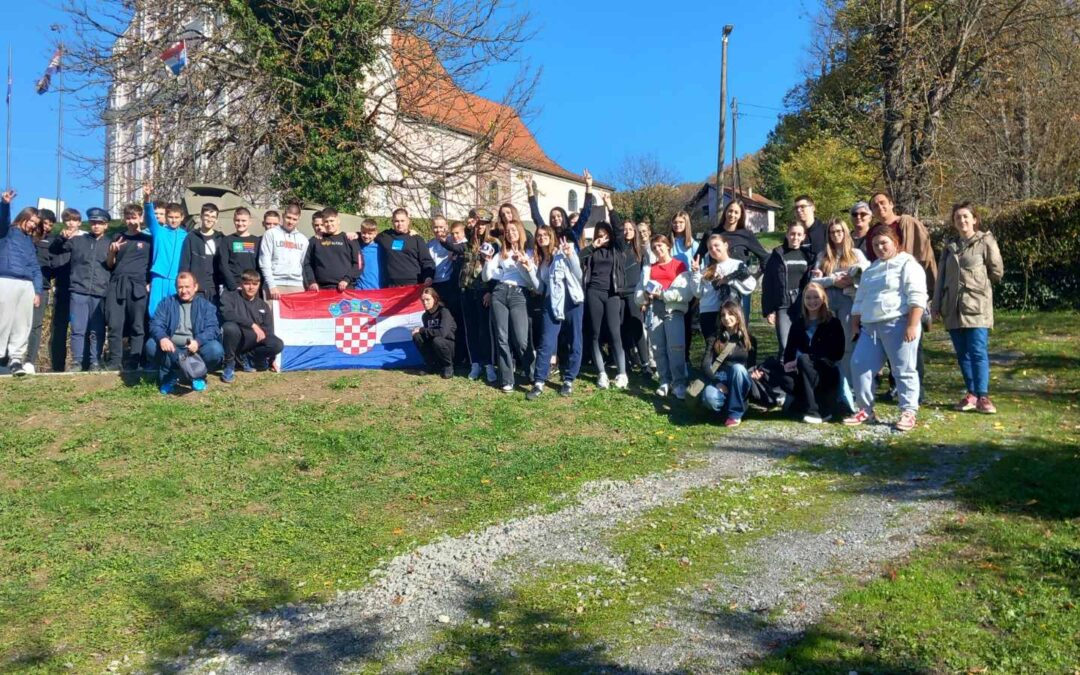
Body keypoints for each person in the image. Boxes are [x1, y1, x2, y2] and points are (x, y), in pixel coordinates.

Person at [845, 226, 928, 432]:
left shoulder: (908, 264)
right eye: (875, 244)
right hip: (871, 327)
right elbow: (860, 299)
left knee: (903, 369)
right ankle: (866, 409)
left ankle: (908, 411)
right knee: (859, 365)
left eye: (884, 243)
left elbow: (918, 297)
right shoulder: (871, 270)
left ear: (895, 242)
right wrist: (855, 324)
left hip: (898, 323)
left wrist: (912, 324)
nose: (880, 247)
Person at [933, 202, 1004, 415]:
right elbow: (940, 279)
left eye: (966, 217)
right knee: (962, 353)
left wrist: (976, 285)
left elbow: (997, 271)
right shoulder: (949, 246)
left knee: (978, 351)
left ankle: (983, 396)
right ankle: (971, 393)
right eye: (957, 218)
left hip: (976, 307)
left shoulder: (985, 241)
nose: (962, 221)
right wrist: (936, 305)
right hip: (952, 308)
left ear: (974, 219)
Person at [867, 191, 938, 400]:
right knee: (891, 344)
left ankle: (917, 391)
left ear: (891, 204)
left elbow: (922, 254)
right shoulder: (874, 233)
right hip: (885, 295)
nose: (880, 207)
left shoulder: (905, 223)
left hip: (907, 292)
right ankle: (895, 387)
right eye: (875, 205)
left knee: (911, 343)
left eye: (883, 203)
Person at [811, 218, 869, 412]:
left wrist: (851, 279)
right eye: (832, 232)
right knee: (827, 346)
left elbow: (865, 275)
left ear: (845, 233)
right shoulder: (823, 255)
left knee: (847, 344)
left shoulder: (856, 254)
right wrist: (834, 280)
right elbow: (814, 282)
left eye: (839, 231)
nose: (836, 235)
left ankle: (849, 387)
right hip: (827, 304)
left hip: (848, 303)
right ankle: (829, 386)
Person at [527, 227, 584, 399]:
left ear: (551, 237)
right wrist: (529, 269)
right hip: (551, 301)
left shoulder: (562, 251)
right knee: (547, 341)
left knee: (575, 339)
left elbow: (579, 274)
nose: (542, 238)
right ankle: (539, 382)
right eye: (539, 236)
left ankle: (568, 381)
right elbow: (540, 287)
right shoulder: (541, 261)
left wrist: (571, 255)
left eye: (545, 235)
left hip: (571, 299)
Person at [482, 218, 537, 392]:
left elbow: (531, 283)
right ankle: (507, 379)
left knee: (521, 340)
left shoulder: (529, 252)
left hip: (519, 294)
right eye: (507, 231)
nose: (510, 234)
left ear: (520, 232)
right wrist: (488, 262)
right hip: (499, 292)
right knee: (502, 337)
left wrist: (522, 264)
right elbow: (486, 277)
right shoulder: (501, 253)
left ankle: (533, 373)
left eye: (513, 230)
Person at [146, 272, 224, 394]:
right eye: (180, 287)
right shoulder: (166, 303)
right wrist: (163, 338)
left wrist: (198, 341)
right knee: (151, 345)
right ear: (176, 287)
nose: (184, 291)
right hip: (172, 349)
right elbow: (155, 324)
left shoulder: (206, 306)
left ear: (195, 287)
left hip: (193, 350)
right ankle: (172, 375)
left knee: (216, 349)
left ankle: (197, 375)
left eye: (187, 287)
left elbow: (213, 328)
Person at [781, 282, 846, 423]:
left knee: (804, 359)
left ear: (823, 299)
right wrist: (788, 364)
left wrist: (805, 359)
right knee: (783, 376)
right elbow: (789, 350)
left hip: (825, 370)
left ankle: (815, 411)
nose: (812, 301)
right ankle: (804, 404)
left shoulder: (833, 323)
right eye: (808, 298)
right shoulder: (798, 323)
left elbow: (837, 353)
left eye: (816, 297)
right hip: (801, 370)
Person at [694, 199, 769, 320]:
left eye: (736, 212)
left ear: (741, 215)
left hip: (739, 285)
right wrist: (702, 275)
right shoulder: (711, 233)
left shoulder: (746, 235)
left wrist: (755, 275)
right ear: (725, 212)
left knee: (740, 323)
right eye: (730, 211)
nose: (732, 215)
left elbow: (765, 257)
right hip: (716, 288)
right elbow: (698, 257)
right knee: (717, 325)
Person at [637, 234, 692, 399]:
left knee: (676, 348)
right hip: (654, 309)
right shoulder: (649, 268)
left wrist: (664, 294)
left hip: (673, 309)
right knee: (658, 348)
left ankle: (679, 383)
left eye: (660, 245)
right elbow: (639, 292)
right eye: (654, 247)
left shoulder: (679, 265)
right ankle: (664, 381)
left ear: (668, 246)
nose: (657, 249)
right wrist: (646, 296)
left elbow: (686, 292)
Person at [58, 207, 111, 372]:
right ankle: (76, 362)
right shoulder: (78, 240)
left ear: (106, 225)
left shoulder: (111, 243)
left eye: (100, 223)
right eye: (93, 222)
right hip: (78, 290)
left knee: (97, 330)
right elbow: (56, 250)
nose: (96, 226)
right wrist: (61, 238)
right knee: (77, 329)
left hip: (100, 292)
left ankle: (95, 361)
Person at [580, 219, 630, 390]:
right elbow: (578, 257)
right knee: (595, 334)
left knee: (615, 333)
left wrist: (611, 208)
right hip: (594, 292)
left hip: (612, 294)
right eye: (599, 235)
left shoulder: (617, 249)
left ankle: (622, 373)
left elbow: (619, 230)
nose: (603, 238)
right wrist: (593, 245)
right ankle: (601, 373)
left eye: (605, 235)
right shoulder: (592, 251)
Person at [105, 203, 153, 371]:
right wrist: (112, 251)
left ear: (141, 218)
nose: (131, 221)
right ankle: (115, 361)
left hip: (138, 285)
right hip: (118, 284)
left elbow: (154, 264)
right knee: (115, 325)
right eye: (128, 218)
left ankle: (135, 361)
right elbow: (110, 265)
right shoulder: (118, 237)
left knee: (137, 326)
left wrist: (150, 283)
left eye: (134, 217)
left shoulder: (148, 239)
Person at [0, 193, 43, 377]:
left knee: (22, 324)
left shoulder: (29, 241)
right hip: (7, 279)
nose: (33, 224)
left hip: (27, 284)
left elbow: (35, 266)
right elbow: (2, 220)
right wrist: (4, 204)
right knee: (3, 320)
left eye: (36, 223)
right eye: (31, 220)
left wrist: (38, 290)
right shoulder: (7, 232)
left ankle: (16, 359)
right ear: (23, 217)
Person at [692, 233, 756, 349]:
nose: (713, 249)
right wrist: (696, 273)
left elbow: (751, 285)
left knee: (729, 348)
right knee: (712, 349)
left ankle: (735, 366)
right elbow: (698, 293)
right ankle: (716, 367)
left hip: (728, 314)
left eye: (717, 245)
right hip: (707, 312)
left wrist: (729, 280)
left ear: (725, 245)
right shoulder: (707, 269)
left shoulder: (737, 265)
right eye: (710, 248)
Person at [218, 269, 283, 383]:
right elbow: (227, 314)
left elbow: (269, 332)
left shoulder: (263, 305)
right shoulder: (229, 296)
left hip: (252, 342)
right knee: (229, 327)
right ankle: (229, 364)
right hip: (235, 338)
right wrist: (252, 324)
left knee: (277, 344)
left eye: (254, 284)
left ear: (259, 285)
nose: (251, 287)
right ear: (241, 284)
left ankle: (247, 358)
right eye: (247, 283)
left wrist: (273, 357)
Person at [700, 300, 758, 427]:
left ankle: (734, 414)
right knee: (709, 398)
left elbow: (751, 366)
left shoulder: (750, 340)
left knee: (738, 368)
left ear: (738, 315)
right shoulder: (714, 338)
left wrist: (754, 373)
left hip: (740, 380)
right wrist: (717, 383)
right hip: (721, 379)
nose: (726, 318)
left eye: (730, 314)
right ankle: (729, 406)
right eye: (723, 315)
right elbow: (704, 365)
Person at [611, 199, 651, 379]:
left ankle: (645, 364)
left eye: (629, 229)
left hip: (635, 295)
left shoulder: (641, 251)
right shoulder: (618, 248)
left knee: (637, 329)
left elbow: (646, 276)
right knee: (622, 329)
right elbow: (616, 228)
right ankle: (627, 361)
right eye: (624, 229)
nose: (626, 231)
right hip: (619, 293)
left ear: (634, 231)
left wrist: (644, 298)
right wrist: (610, 207)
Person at [761, 222, 814, 356]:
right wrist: (769, 310)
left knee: (804, 345)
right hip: (783, 305)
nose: (795, 237)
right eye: (792, 234)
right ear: (787, 235)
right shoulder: (778, 254)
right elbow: (768, 283)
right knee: (785, 346)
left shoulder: (807, 255)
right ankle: (784, 372)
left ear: (803, 237)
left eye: (798, 234)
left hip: (803, 305)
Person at [459, 210, 497, 383]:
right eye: (478, 223)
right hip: (467, 290)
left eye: (484, 223)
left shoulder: (494, 243)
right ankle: (475, 363)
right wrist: (470, 222)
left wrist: (490, 290)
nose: (480, 226)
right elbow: (465, 229)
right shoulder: (469, 243)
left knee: (485, 330)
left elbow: (496, 270)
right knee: (471, 329)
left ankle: (489, 364)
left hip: (483, 291)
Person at [144, 181, 188, 317]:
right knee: (155, 311)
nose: (173, 220)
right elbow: (150, 216)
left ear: (182, 218)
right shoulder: (159, 231)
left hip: (177, 279)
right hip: (159, 276)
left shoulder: (186, 235)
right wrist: (147, 198)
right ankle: (156, 337)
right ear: (166, 217)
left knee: (175, 312)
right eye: (170, 217)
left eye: (176, 217)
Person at [48, 208, 84, 371]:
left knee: (81, 327)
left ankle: (83, 363)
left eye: (74, 220)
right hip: (63, 288)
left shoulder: (85, 238)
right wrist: (62, 238)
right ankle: (57, 366)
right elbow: (53, 251)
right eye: (68, 220)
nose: (71, 223)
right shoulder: (59, 239)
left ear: (79, 222)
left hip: (81, 288)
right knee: (59, 328)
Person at [526, 169, 593, 247]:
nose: (556, 219)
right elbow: (536, 216)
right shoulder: (549, 234)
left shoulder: (573, 232)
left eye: (558, 216)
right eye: (553, 217)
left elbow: (585, 214)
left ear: (563, 216)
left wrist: (589, 186)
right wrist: (530, 190)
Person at [26, 209, 56, 371]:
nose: (47, 227)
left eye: (51, 225)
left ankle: (29, 361)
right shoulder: (26, 237)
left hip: (42, 288)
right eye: (44, 223)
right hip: (22, 284)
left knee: (36, 325)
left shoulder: (52, 241)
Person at [259, 203, 309, 298]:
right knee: (272, 313)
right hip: (274, 285)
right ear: (283, 216)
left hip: (297, 286)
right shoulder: (270, 234)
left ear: (299, 219)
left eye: (294, 219)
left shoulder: (303, 239)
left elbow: (303, 264)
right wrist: (271, 285)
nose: (291, 222)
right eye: (288, 217)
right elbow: (264, 261)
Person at [303, 207, 359, 291]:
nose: (329, 224)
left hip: (345, 290)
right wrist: (312, 281)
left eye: (332, 220)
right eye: (326, 221)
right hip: (320, 290)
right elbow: (307, 263)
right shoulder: (315, 240)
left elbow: (359, 264)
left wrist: (346, 280)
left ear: (338, 220)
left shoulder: (349, 239)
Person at [376, 208, 435, 288]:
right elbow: (369, 235)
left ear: (408, 221)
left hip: (413, 284)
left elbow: (427, 261)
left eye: (402, 221)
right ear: (392, 222)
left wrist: (428, 276)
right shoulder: (385, 236)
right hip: (391, 285)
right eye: (396, 221)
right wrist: (356, 234)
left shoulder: (416, 239)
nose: (400, 224)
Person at [180, 202, 224, 303]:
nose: (209, 219)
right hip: (196, 290)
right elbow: (185, 265)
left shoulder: (221, 239)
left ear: (216, 220)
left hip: (215, 290)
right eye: (207, 215)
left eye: (213, 217)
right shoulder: (191, 238)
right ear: (201, 216)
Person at [411, 286, 457, 378]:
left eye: (428, 299)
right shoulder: (425, 316)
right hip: (435, 345)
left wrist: (422, 330)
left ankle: (448, 366)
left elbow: (442, 333)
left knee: (437, 340)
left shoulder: (444, 312)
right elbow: (428, 334)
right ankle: (432, 365)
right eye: (423, 300)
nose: (425, 303)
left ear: (435, 299)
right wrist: (419, 333)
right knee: (417, 336)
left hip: (448, 345)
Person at [217, 207, 261, 292]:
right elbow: (223, 265)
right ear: (234, 221)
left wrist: (254, 285)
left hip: (251, 287)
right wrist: (233, 286)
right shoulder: (226, 240)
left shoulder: (257, 241)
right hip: (233, 288)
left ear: (250, 222)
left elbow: (259, 266)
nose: (240, 223)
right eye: (237, 220)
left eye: (244, 221)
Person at [355, 218, 383, 291]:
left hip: (376, 289)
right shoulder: (356, 246)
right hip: (358, 289)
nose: (366, 236)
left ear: (375, 233)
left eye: (370, 233)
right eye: (364, 233)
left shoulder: (380, 248)